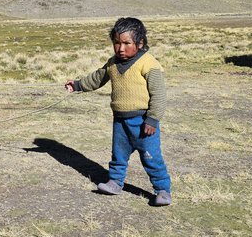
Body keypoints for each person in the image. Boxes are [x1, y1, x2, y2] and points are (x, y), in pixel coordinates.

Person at [65, 17, 172, 206]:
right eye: (116, 43)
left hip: (143, 123)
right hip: (120, 121)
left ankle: (162, 190)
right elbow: (97, 78)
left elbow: (159, 95)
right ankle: (115, 182)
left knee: (152, 158)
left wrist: (152, 119)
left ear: (140, 43)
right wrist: (78, 85)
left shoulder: (149, 64)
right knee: (118, 155)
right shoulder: (113, 63)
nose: (120, 48)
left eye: (126, 43)